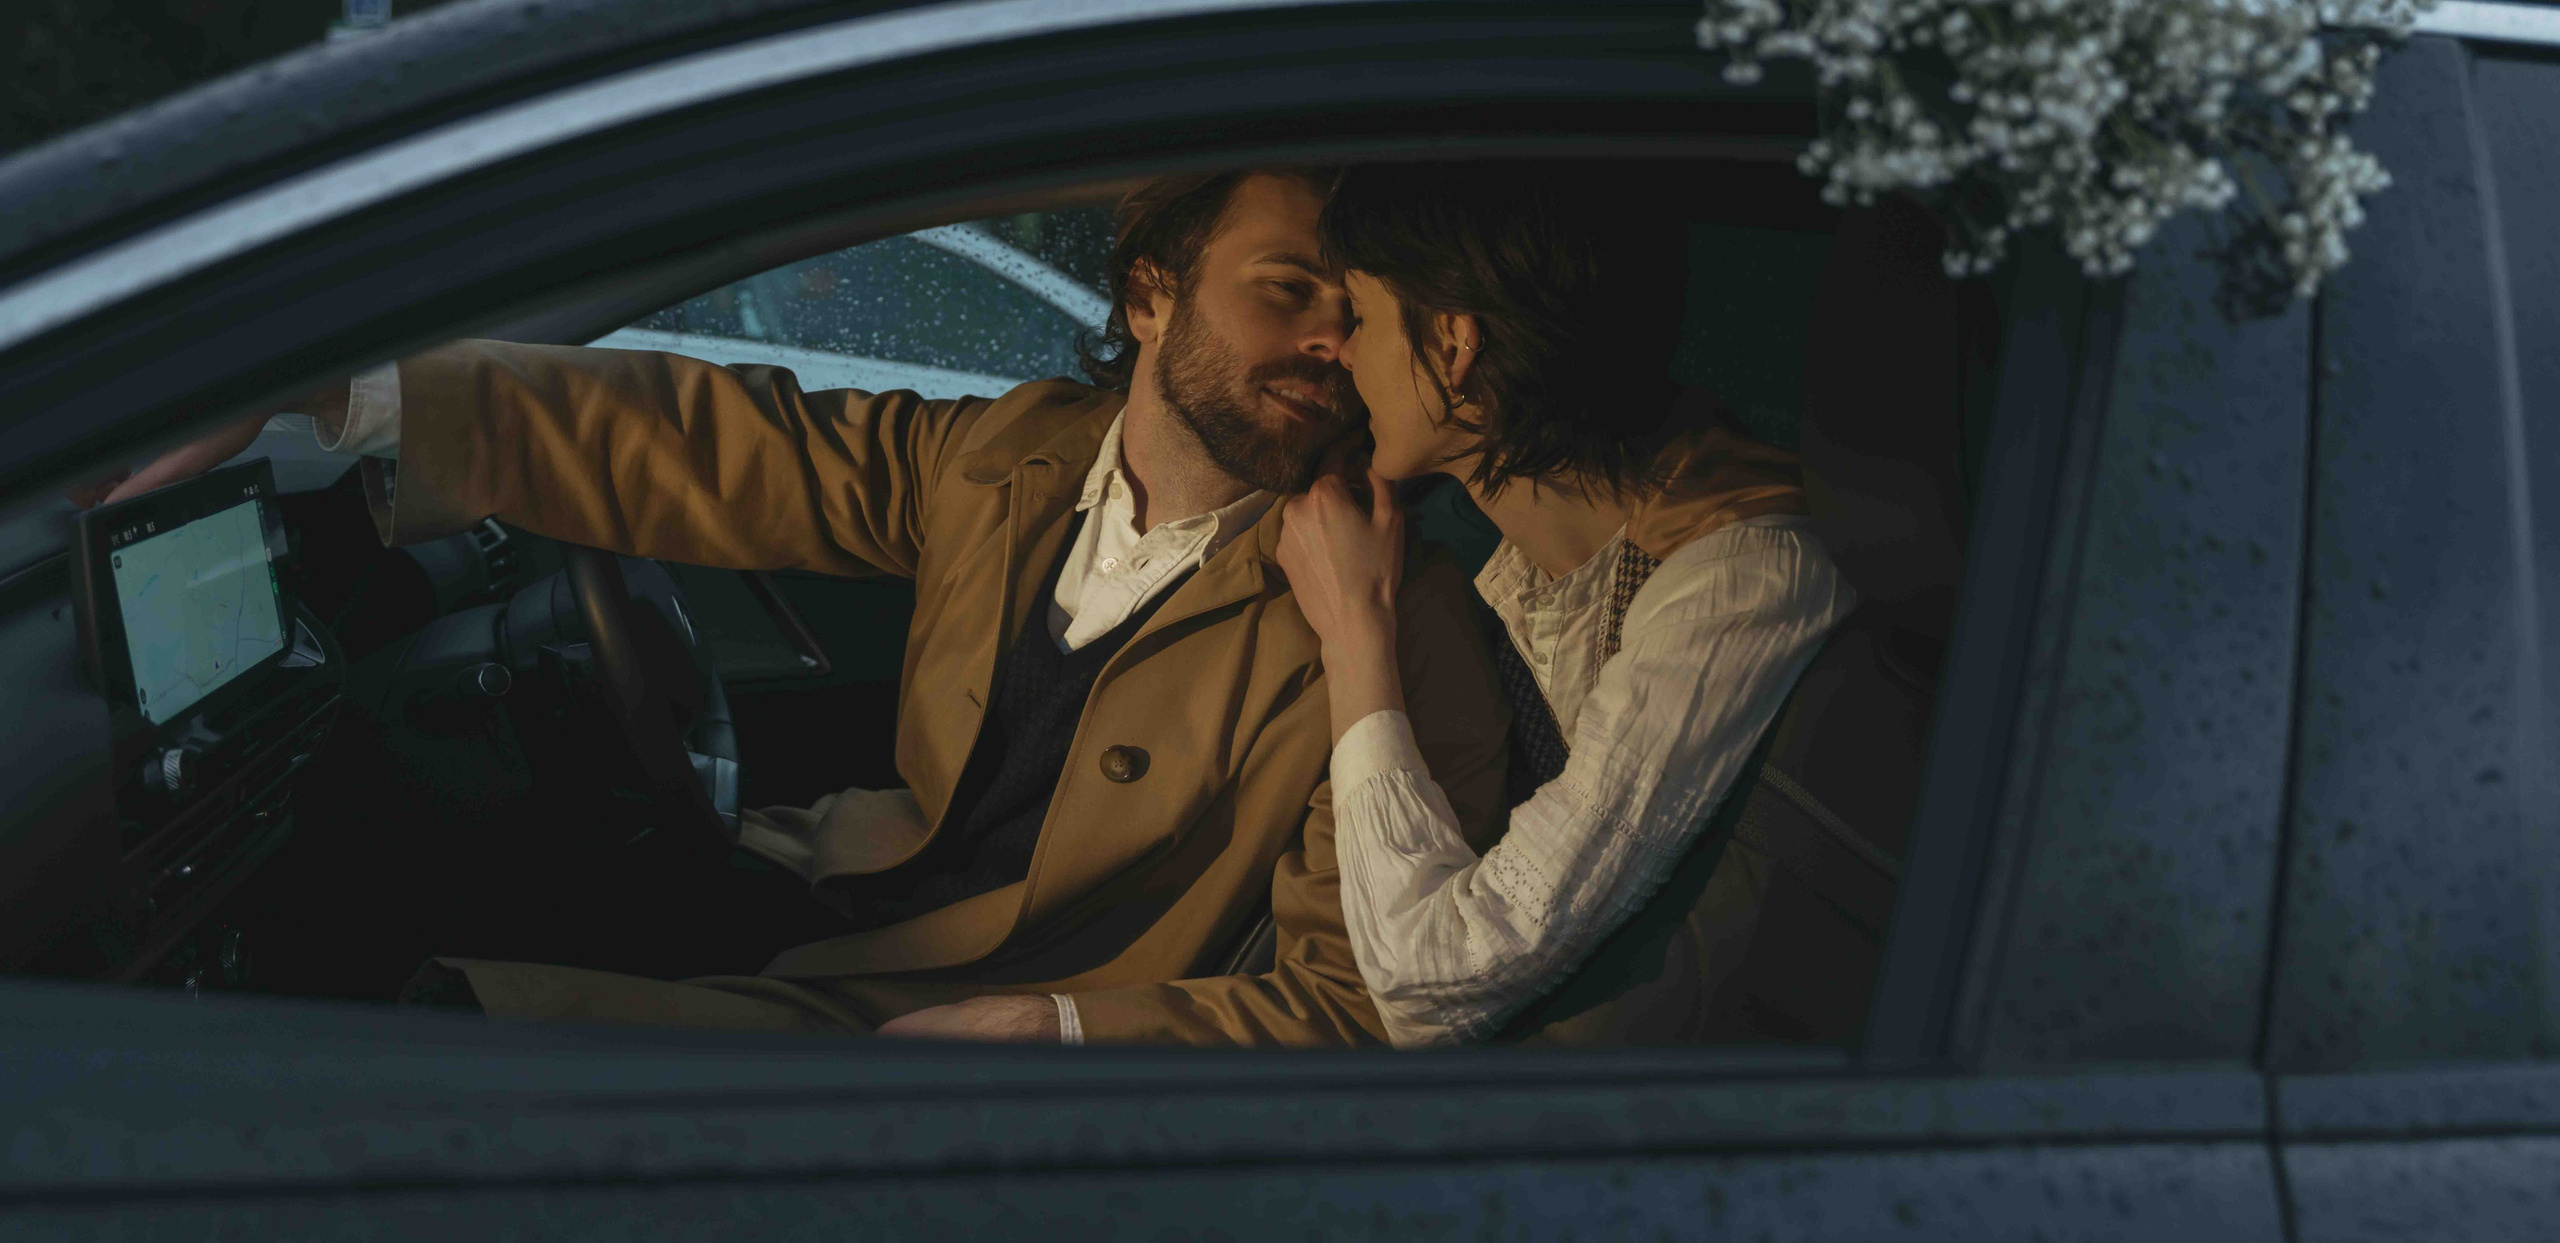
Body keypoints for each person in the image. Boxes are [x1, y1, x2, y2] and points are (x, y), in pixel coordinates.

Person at [96, 169, 1508, 1046]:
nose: (1329, 339)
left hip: (963, 1020)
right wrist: (326, 383)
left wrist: (1055, 1028)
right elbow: (715, 441)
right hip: (831, 889)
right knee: (387, 901)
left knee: (425, 1037)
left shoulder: (1393, 615)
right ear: (1150, 296)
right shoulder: (1015, 450)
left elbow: (1362, 999)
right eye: (1287, 289)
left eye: (1354, 311)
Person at [1273, 164, 1857, 1049]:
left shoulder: (1742, 579)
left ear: (1453, 345)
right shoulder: (1543, 570)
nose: (1343, 352)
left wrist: (1356, 630)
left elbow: (1431, 984)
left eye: (1361, 315)